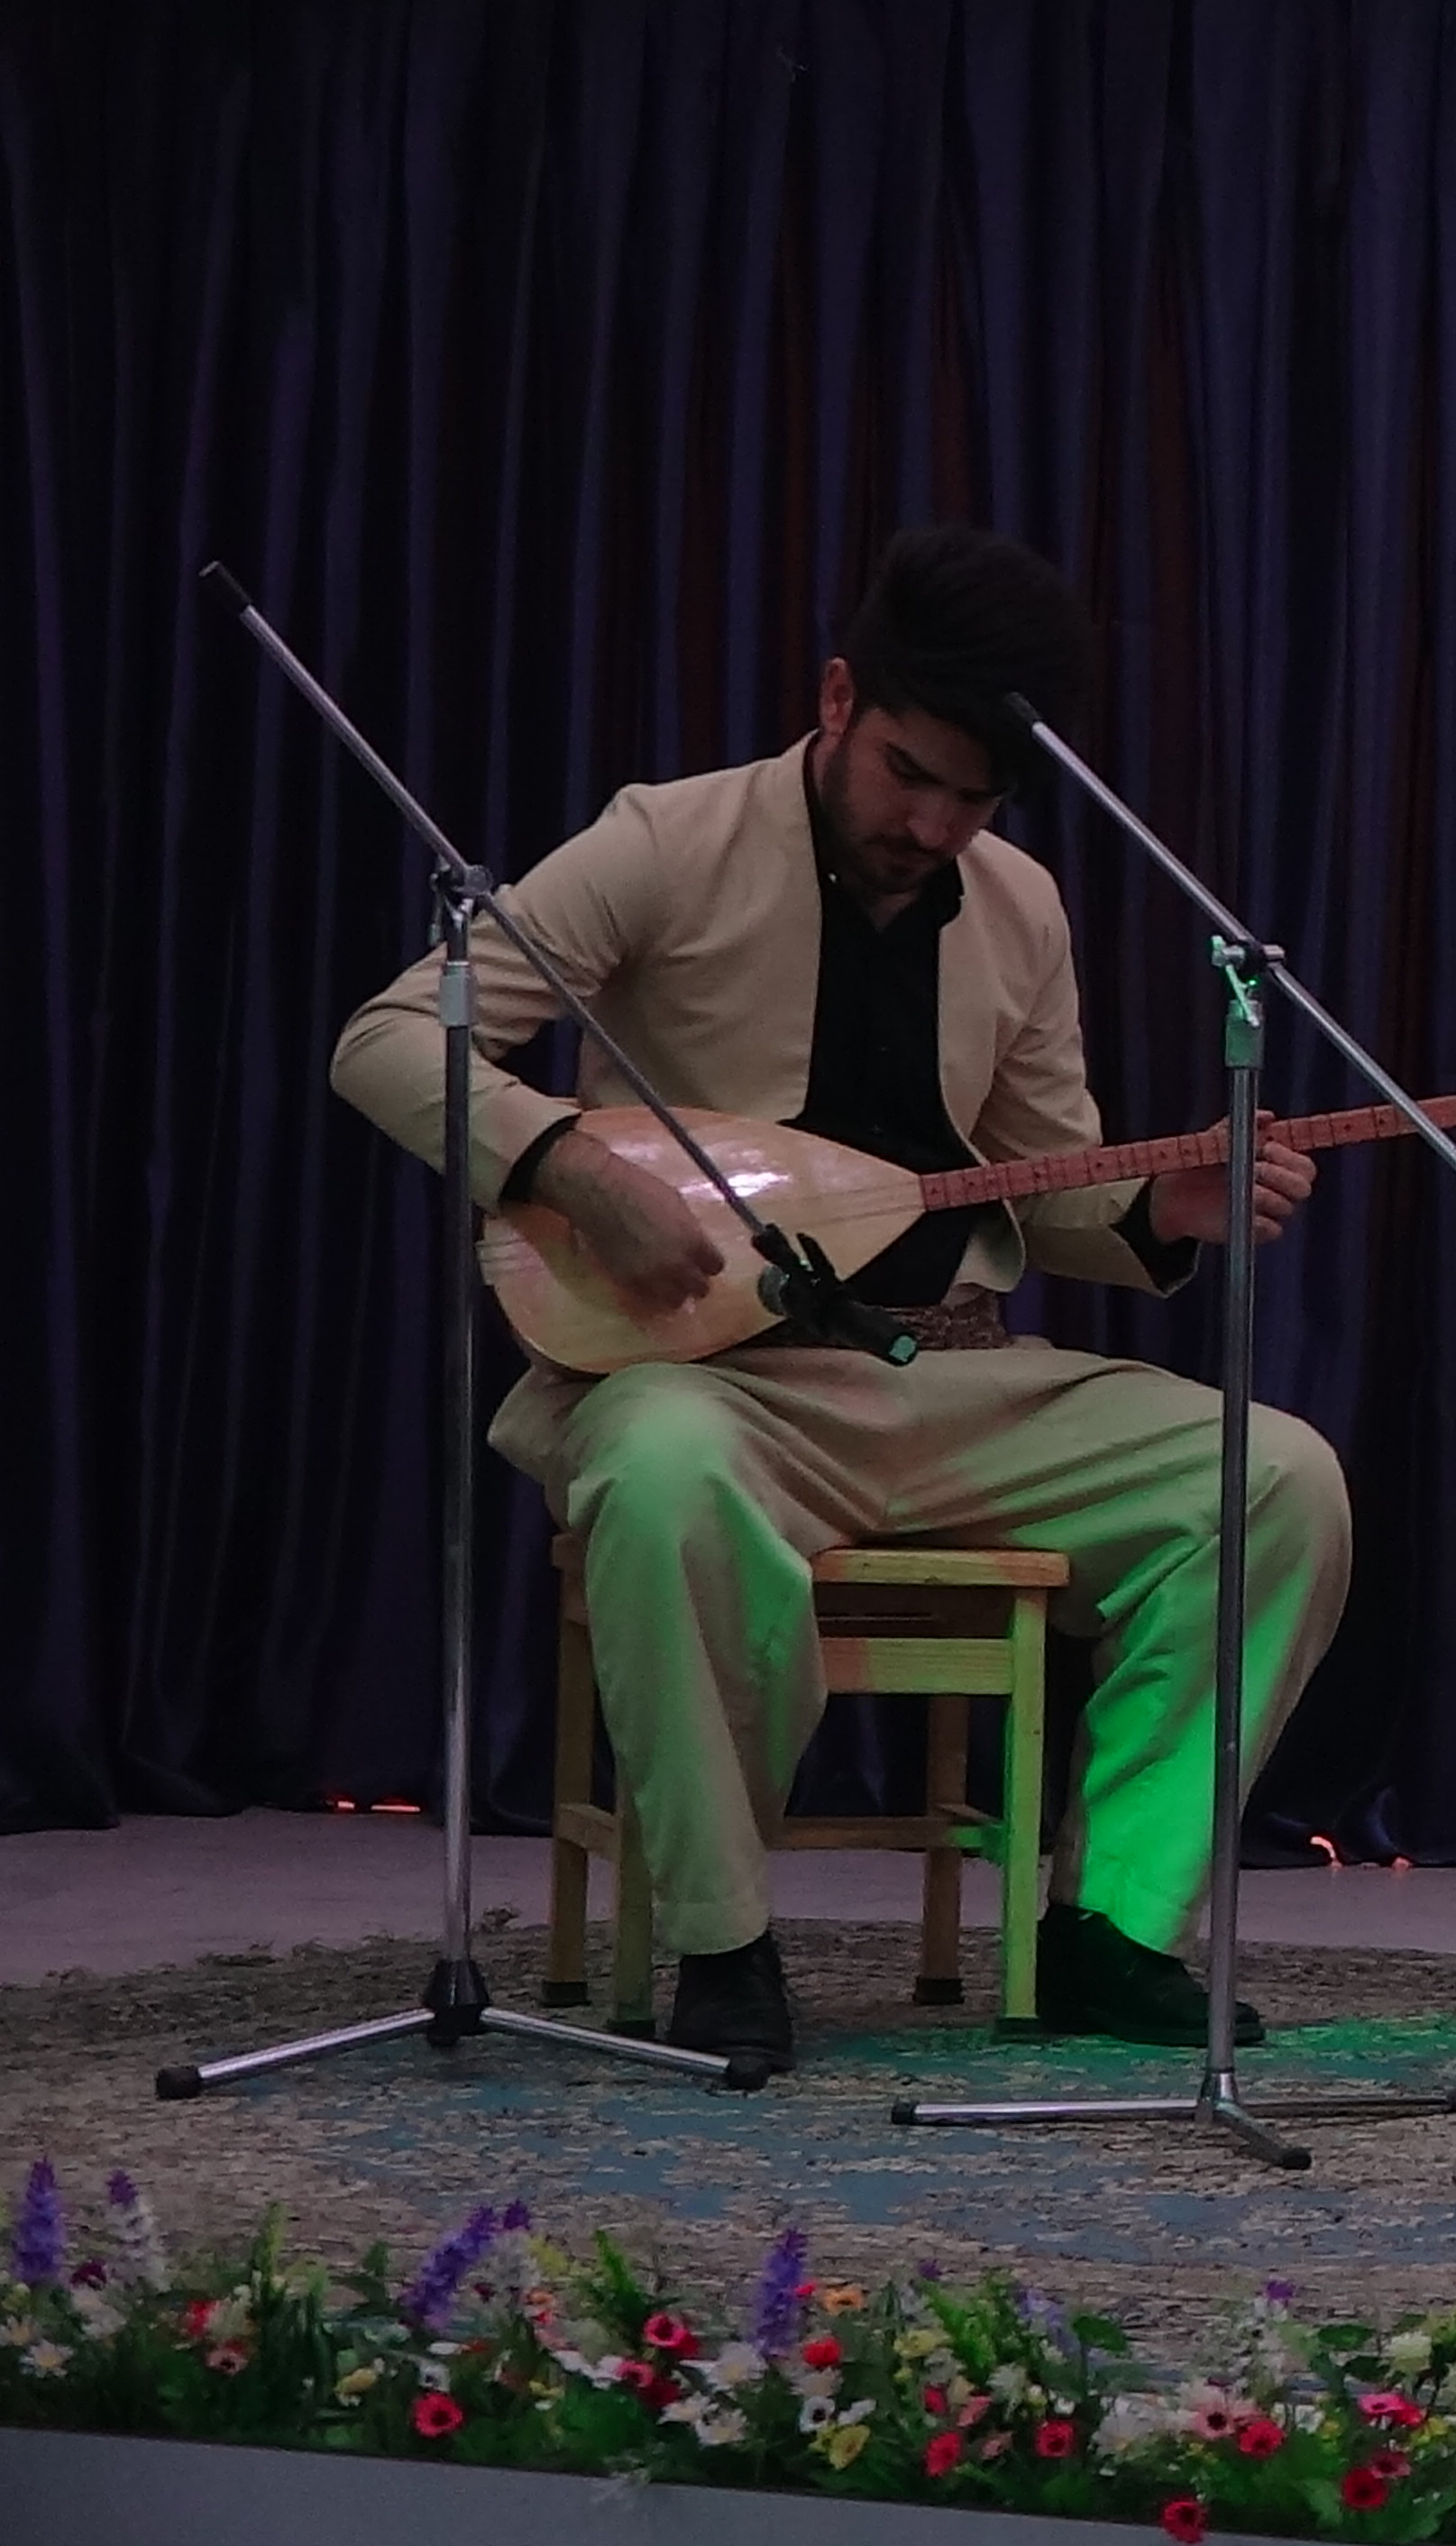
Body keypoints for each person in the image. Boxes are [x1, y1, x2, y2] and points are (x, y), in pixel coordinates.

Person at [329, 525, 1349, 2077]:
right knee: (662, 1473)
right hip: (712, 1384)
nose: (931, 825)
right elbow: (392, 1040)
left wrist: (1161, 1208)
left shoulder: (1020, 908)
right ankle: (723, 1938)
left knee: (1276, 1479)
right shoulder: (665, 843)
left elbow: (1043, 1187)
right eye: (906, 773)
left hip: (951, 1375)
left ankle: (1113, 1924)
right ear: (835, 697)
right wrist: (568, 1167)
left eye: (972, 799)